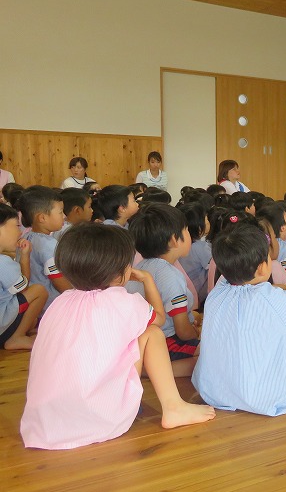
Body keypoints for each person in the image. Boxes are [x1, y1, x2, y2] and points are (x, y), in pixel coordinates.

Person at [20, 222, 215, 450]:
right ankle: (174, 407)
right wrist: (147, 280)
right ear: (122, 270)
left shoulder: (60, 302)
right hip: (99, 415)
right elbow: (159, 320)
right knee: (152, 333)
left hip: (45, 418)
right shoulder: (123, 301)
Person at [192, 224, 286, 416]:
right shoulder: (272, 297)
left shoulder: (218, 290)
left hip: (213, 392)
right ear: (263, 267)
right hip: (262, 397)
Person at [126, 203, 200, 377]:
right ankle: (151, 371)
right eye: (187, 230)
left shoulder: (141, 267)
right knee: (211, 355)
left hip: (143, 340)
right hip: (167, 342)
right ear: (174, 239)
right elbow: (182, 331)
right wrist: (196, 333)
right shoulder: (169, 274)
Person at [16, 186, 72, 311]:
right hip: (50, 306)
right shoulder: (49, 245)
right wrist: (76, 295)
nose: (64, 216)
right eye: (60, 212)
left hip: (33, 303)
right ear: (42, 218)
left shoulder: (26, 237)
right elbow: (58, 280)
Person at [0, 204, 47, 350]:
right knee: (39, 291)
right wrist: (25, 256)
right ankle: (16, 337)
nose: (20, 232)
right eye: (16, 226)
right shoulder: (2, 262)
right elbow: (24, 285)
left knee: (31, 321)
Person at [177, 202, 212, 305]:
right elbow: (214, 268)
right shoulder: (200, 247)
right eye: (207, 220)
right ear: (199, 227)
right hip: (197, 296)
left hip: (183, 291)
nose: (209, 223)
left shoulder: (179, 245)